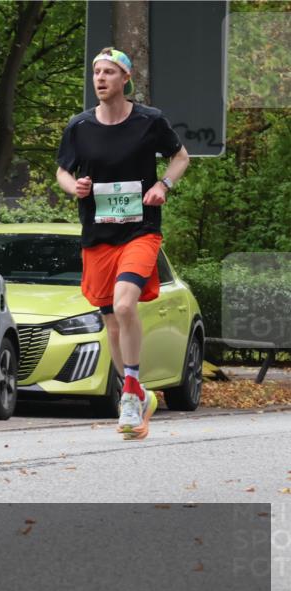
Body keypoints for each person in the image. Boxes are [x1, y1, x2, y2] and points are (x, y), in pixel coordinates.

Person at [56, 47, 190, 440]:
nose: (100, 78)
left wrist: (164, 185)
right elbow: (63, 171)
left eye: (109, 72)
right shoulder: (80, 126)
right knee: (111, 322)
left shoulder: (150, 121)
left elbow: (180, 157)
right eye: (96, 72)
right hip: (98, 235)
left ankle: (129, 392)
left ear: (125, 79)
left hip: (140, 230)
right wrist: (74, 187)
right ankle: (139, 394)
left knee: (125, 303)